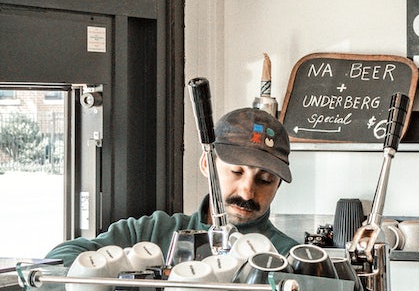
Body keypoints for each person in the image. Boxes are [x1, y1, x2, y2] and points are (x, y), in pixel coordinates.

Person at [46, 107, 298, 266]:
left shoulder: (287, 256)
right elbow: (61, 258)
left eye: (265, 180)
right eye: (236, 172)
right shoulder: (151, 233)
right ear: (206, 165)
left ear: (278, 186)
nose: (247, 192)